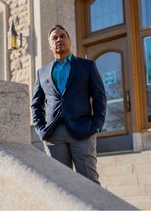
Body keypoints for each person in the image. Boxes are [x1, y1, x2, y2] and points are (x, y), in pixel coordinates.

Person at [31, 25, 106, 185]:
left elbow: (99, 97)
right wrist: (40, 130)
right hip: (53, 135)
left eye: (63, 36)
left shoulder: (87, 66)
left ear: (70, 41)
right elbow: (36, 104)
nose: (59, 40)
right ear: (49, 46)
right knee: (61, 184)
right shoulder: (41, 72)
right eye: (55, 38)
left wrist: (96, 125)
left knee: (89, 183)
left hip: (83, 131)